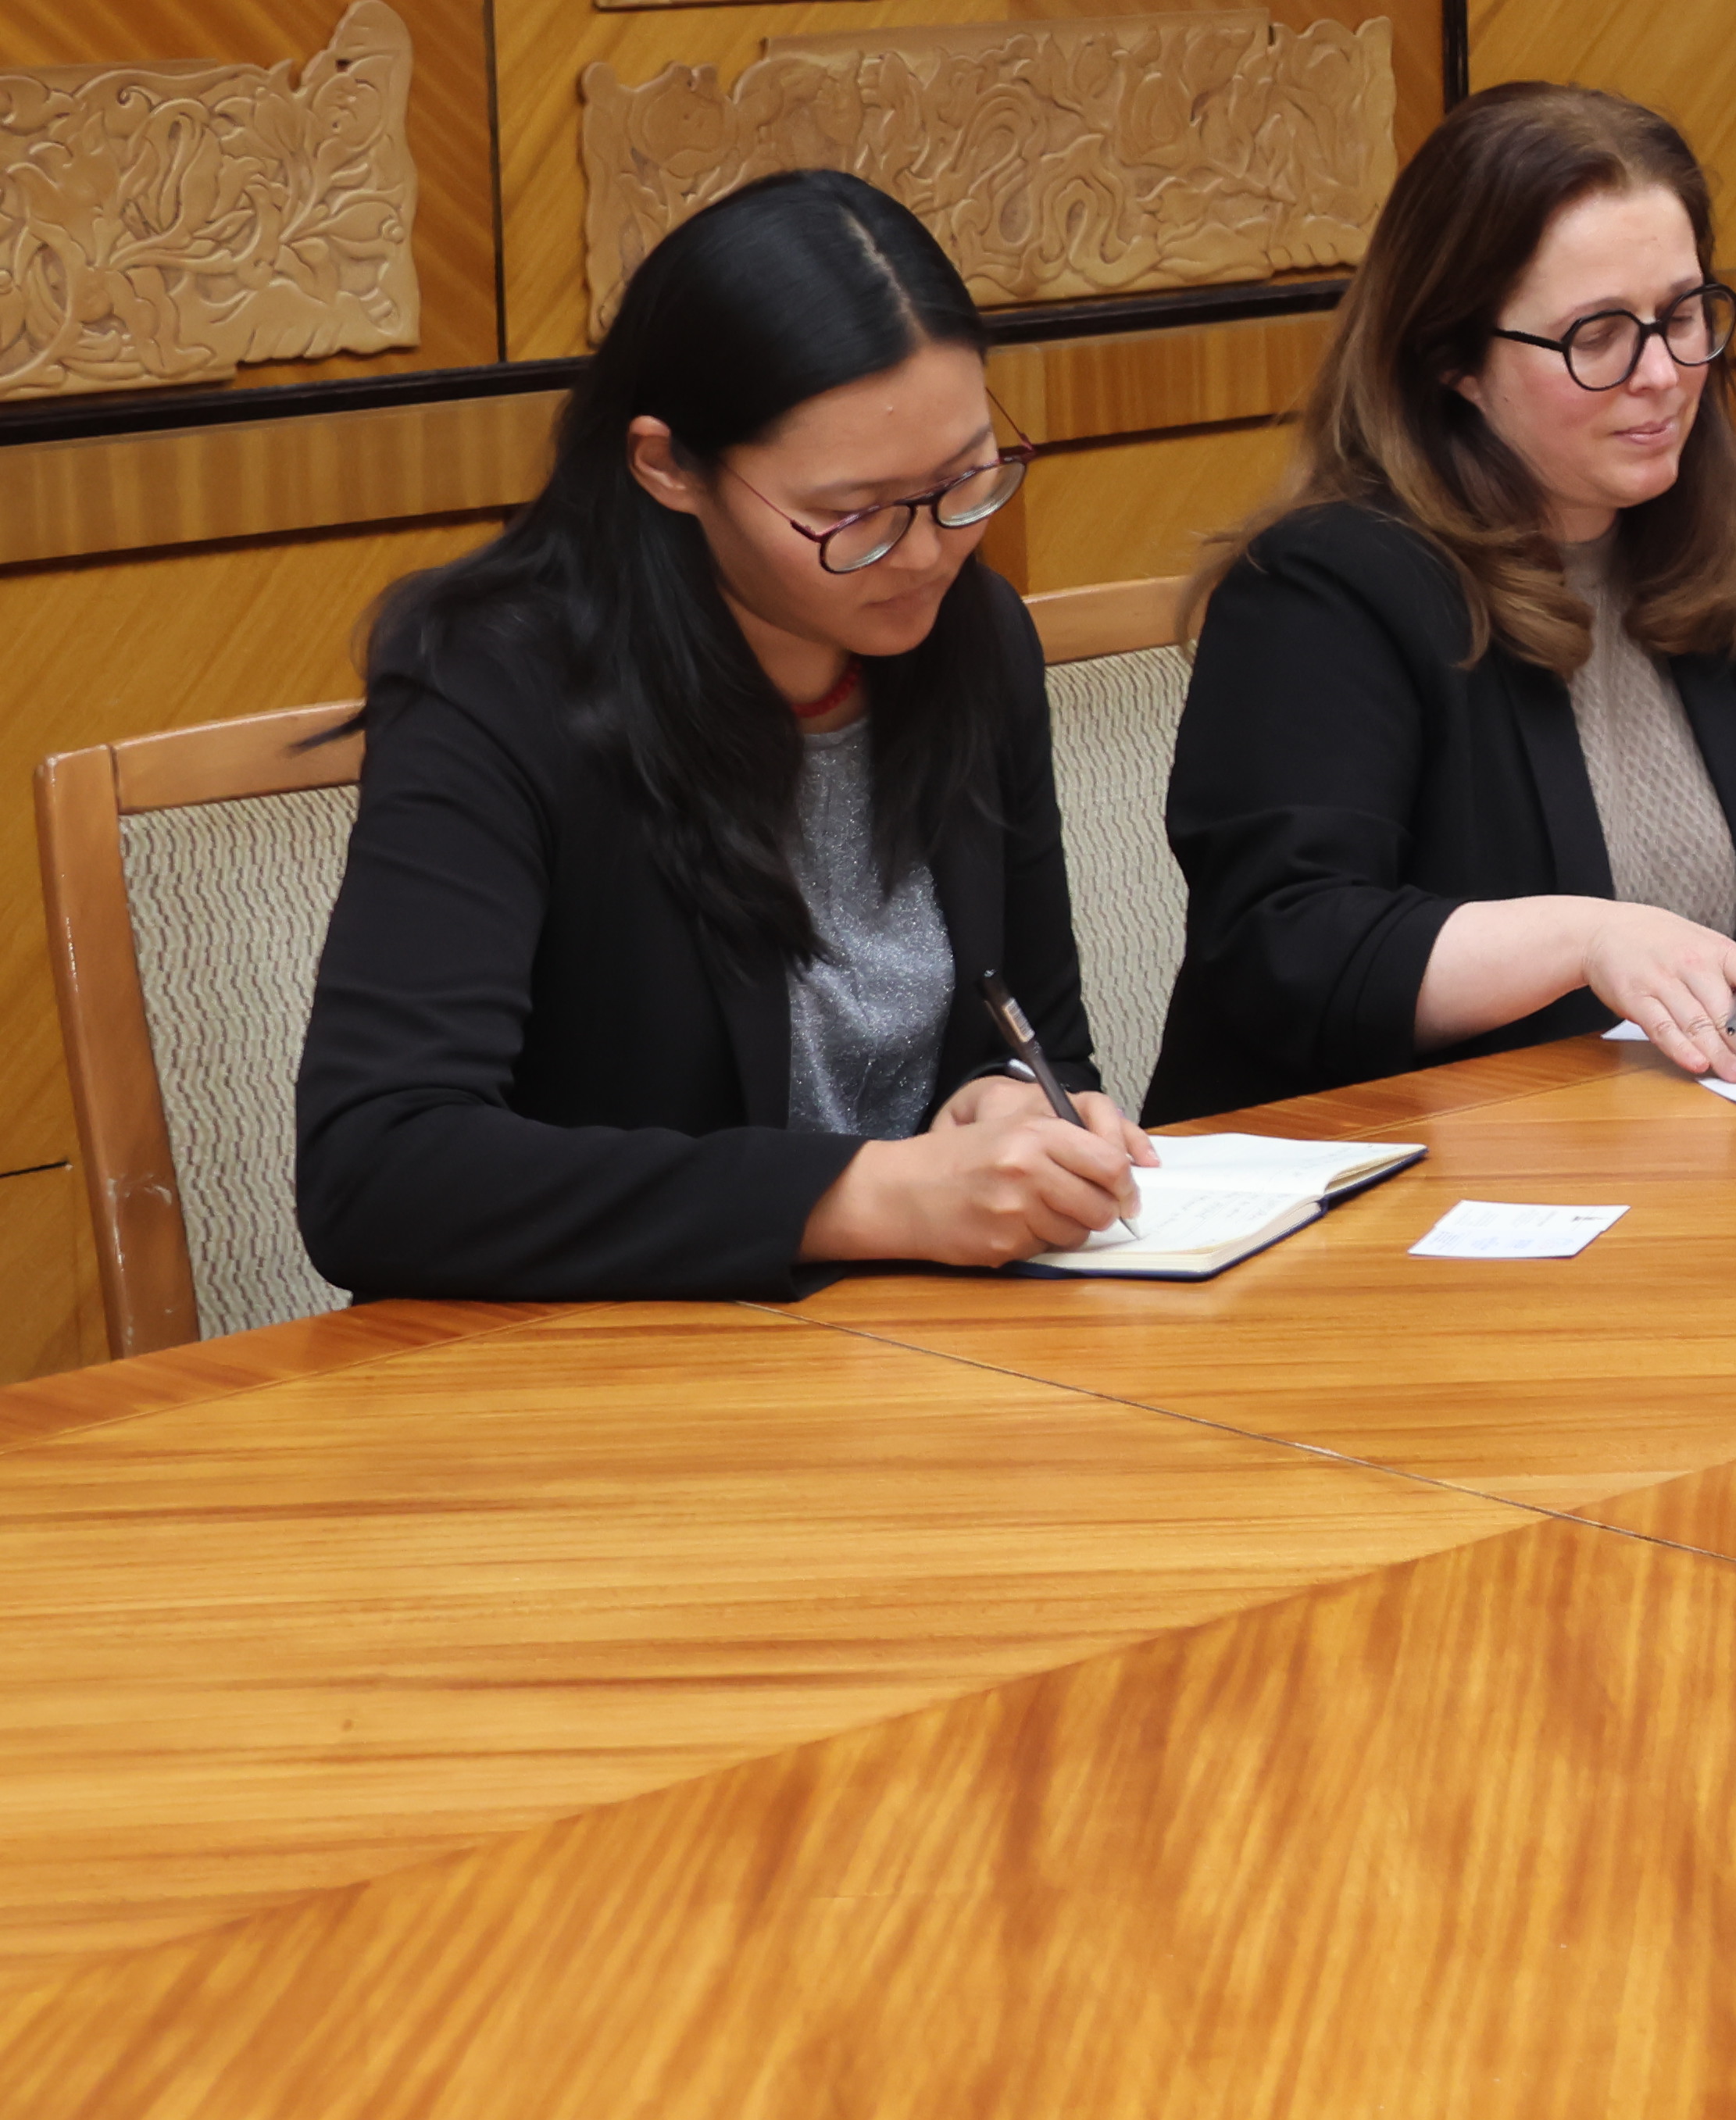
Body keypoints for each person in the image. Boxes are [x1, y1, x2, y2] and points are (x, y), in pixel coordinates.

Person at [295, 173, 1146, 1297]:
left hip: (928, 1347)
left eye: (965, 480)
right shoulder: (497, 689)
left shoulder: (973, 637)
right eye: (852, 513)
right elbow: (380, 1170)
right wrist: (867, 1194)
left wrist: (1007, 1099)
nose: (926, 551)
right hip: (614, 1362)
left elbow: (1036, 1026)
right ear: (668, 466)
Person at [1152, 86, 1736, 1122]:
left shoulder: (1719, 542)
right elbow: (1289, 946)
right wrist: (1587, 938)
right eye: (1598, 335)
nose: (1662, 374)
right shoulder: (1323, 589)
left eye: (1683, 316)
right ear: (1453, 359)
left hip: (1685, 1149)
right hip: (1386, 1169)